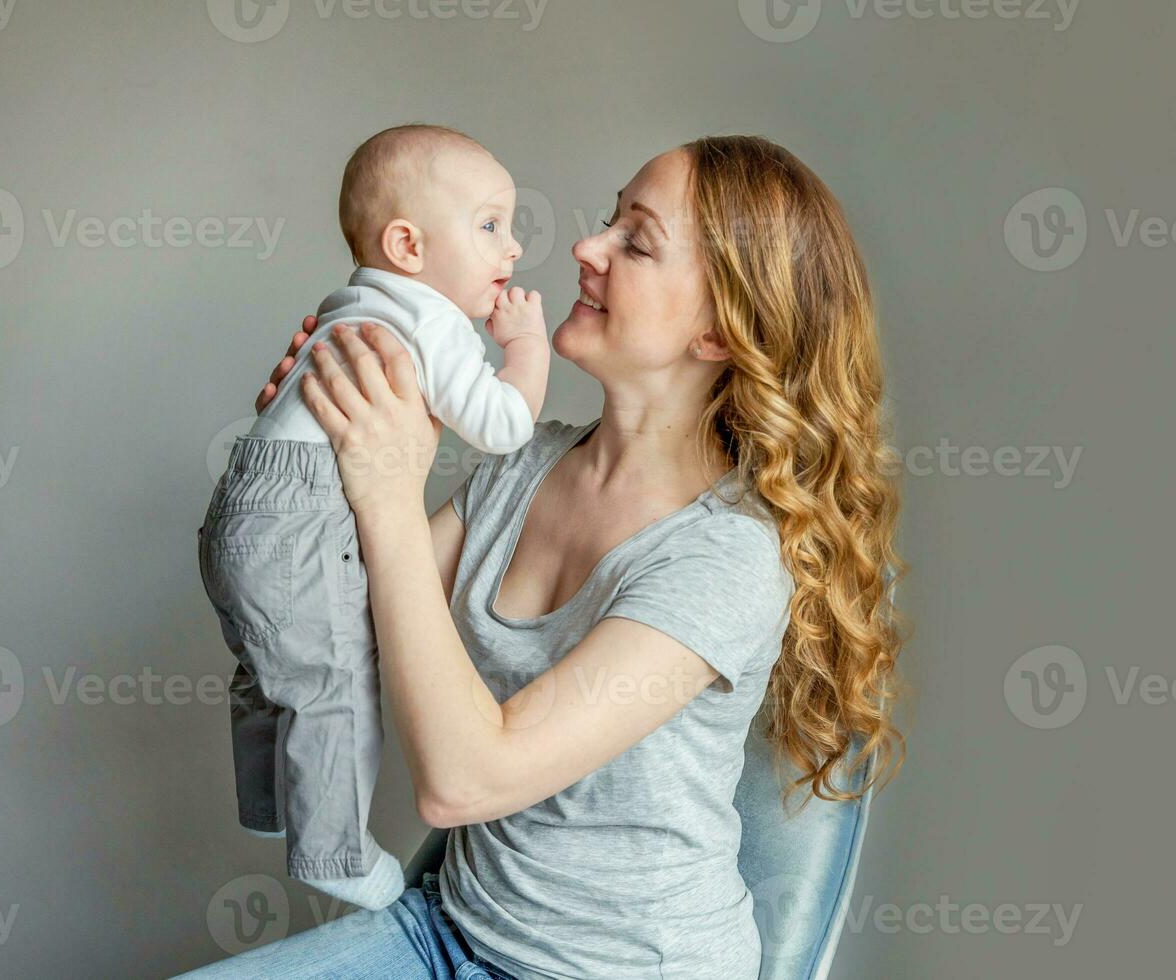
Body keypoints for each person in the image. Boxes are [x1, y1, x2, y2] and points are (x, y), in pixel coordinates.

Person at [180, 134, 905, 980]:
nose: (584, 248)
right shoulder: (526, 467)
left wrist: (383, 493)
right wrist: (318, 450)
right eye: (608, 221)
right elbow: (356, 620)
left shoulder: (725, 557)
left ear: (718, 331)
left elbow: (463, 781)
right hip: (448, 932)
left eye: (634, 241)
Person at [197, 124, 549, 911]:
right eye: (491, 225)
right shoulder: (431, 321)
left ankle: (269, 805)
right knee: (334, 683)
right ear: (408, 245)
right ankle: (335, 852)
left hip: (242, 506)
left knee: (268, 667)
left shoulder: (350, 302)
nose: (514, 249)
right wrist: (525, 352)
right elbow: (500, 424)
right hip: (302, 518)